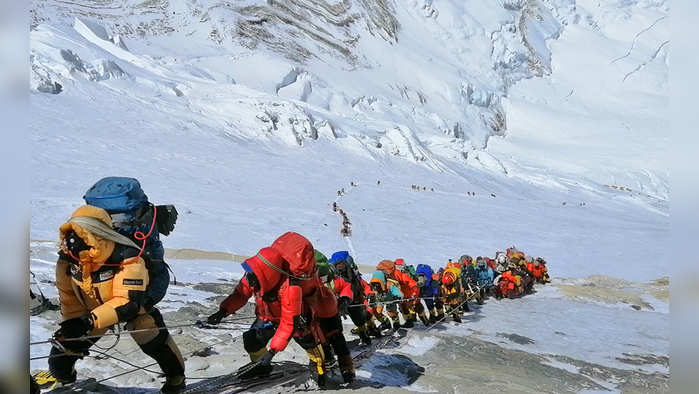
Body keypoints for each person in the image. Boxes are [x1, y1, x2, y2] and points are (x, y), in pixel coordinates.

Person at [48, 206, 185, 392]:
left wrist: (88, 321)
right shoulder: (69, 260)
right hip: (94, 313)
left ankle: (176, 382)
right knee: (60, 358)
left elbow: (128, 303)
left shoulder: (129, 257)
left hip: (134, 309)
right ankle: (67, 383)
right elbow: (69, 296)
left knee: (158, 347)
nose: (72, 240)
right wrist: (72, 323)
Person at [207, 233, 355, 385]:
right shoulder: (255, 274)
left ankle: (333, 370)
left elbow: (289, 323)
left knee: (318, 344)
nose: (249, 278)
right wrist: (223, 311)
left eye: (252, 276)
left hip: (300, 320)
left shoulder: (290, 289)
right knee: (252, 341)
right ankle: (261, 367)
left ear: (266, 274)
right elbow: (241, 293)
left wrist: (272, 352)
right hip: (269, 316)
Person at [84, 177, 177, 311]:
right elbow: (159, 276)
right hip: (135, 295)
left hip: (97, 293)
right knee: (143, 319)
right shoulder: (143, 230)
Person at [323, 251, 375, 345]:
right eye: (338, 265)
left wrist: (370, 294)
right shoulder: (335, 279)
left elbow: (364, 286)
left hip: (355, 301)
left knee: (361, 318)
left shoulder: (353, 277)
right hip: (340, 303)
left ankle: (367, 332)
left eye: (341, 265)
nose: (340, 267)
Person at [378, 259, 418, 328]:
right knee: (391, 308)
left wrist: (414, 292)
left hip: (402, 294)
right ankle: (396, 323)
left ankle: (408, 321)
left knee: (403, 307)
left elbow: (411, 283)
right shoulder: (384, 275)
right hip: (392, 294)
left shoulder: (399, 274)